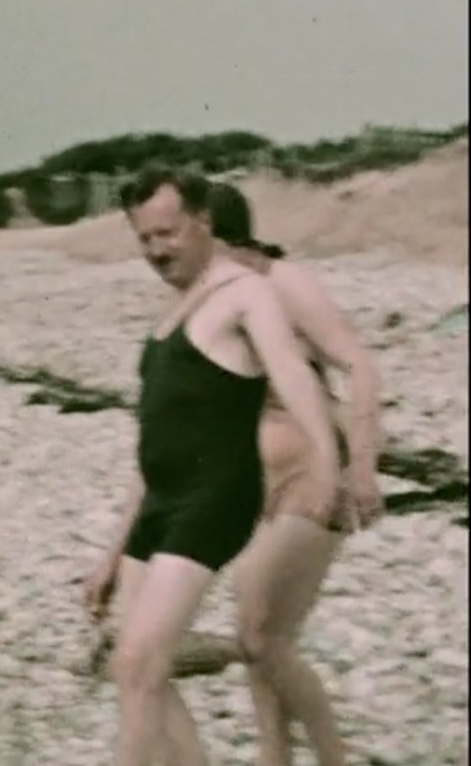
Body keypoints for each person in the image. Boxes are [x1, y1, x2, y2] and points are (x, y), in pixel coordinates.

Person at [82, 167, 341, 765]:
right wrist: (110, 554)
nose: (156, 251)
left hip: (211, 500)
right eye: (144, 238)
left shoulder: (245, 294)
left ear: (203, 223)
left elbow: (295, 376)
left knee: (138, 664)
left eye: (167, 234)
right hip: (159, 504)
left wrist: (328, 464)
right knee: (131, 666)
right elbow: (155, 441)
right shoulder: (174, 308)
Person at [210, 181, 384, 765]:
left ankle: (334, 757)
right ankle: (273, 757)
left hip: (316, 472)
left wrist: (362, 468)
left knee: (261, 634)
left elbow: (358, 364)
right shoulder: (216, 294)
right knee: (261, 633)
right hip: (257, 483)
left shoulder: (284, 283)